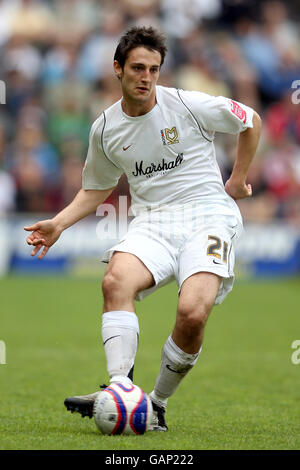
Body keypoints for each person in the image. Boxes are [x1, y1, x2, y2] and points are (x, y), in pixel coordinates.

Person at [24, 26, 261, 432]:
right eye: (137, 68)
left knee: (192, 313)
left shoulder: (187, 104)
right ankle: (120, 390)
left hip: (208, 216)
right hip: (153, 221)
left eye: (154, 69)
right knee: (115, 281)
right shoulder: (105, 128)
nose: (146, 77)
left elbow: (250, 120)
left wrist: (237, 180)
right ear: (118, 69)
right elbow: (96, 188)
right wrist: (58, 224)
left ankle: (156, 404)